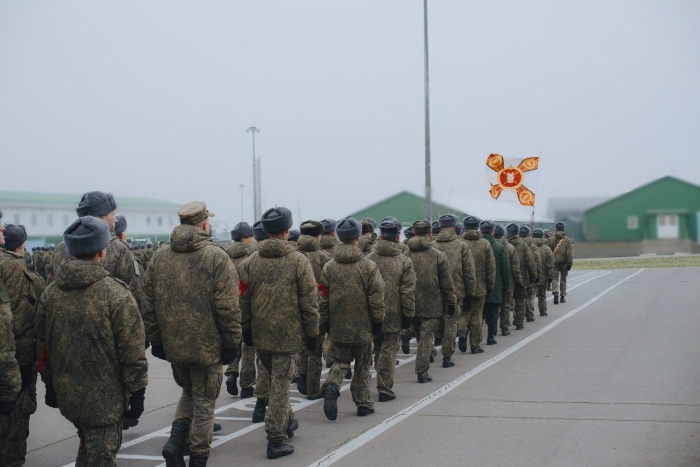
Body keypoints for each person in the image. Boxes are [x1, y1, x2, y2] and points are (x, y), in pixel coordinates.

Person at [36, 216, 147, 466]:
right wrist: (138, 392)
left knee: (88, 449)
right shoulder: (115, 293)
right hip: (106, 402)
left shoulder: (51, 293)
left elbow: (43, 345)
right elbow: (132, 350)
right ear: (101, 251)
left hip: (68, 396)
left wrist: (50, 383)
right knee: (102, 457)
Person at [142, 202, 241, 467]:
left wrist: (157, 340)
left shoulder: (160, 258)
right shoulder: (216, 257)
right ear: (205, 225)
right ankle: (198, 457)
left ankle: (175, 442)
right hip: (208, 347)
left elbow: (148, 303)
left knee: (189, 392)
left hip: (175, 346)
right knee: (205, 402)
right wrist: (232, 343)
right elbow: (228, 308)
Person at [239, 207, 319, 459]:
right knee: (281, 386)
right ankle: (275, 438)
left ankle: (287, 420)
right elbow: (309, 302)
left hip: (261, 336)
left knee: (276, 382)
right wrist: (312, 333)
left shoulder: (250, 262)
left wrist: (246, 331)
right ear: (287, 230)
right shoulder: (298, 261)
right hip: (288, 336)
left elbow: (243, 300)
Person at [320, 218, 385, 418]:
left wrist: (325, 321)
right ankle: (363, 403)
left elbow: (322, 297)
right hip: (363, 325)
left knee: (341, 360)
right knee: (363, 365)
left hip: (338, 325)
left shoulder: (329, 267)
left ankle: (332, 384)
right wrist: (378, 321)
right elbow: (376, 298)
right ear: (357, 238)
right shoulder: (368, 266)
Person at [0, 224, 45, 466]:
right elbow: (28, 320)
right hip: (18, 360)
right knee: (17, 420)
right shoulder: (21, 271)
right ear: (20, 246)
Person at [367, 219, 415, 401]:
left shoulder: (368, 259)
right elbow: (407, 292)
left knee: (377, 347)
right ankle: (385, 388)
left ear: (380, 236)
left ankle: (374, 382)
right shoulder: (404, 261)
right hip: (394, 313)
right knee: (388, 349)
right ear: (397, 237)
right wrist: (408, 315)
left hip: (371, 312)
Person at [405, 220, 455, 382]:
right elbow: (446, 283)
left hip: (411, 302)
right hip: (432, 303)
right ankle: (422, 371)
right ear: (429, 234)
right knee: (427, 337)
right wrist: (451, 302)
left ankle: (427, 354)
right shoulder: (438, 255)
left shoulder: (405, 255)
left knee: (419, 334)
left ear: (414, 233)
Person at [294, 220, 332, 400]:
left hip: (294, 310)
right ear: (319, 236)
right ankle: (313, 388)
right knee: (315, 350)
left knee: (303, 345)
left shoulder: (294, 256)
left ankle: (301, 371)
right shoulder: (324, 258)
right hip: (317, 310)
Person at [432, 214, 476, 367]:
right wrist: (470, 293)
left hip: (436, 291)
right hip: (456, 292)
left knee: (434, 322)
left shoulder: (433, 245)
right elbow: (469, 272)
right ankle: (447, 356)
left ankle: (430, 350)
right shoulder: (462, 246)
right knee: (451, 322)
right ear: (454, 226)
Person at [224, 222, 257, 399]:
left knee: (235, 342)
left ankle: (231, 372)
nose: (252, 239)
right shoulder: (252, 257)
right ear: (244, 239)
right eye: (250, 236)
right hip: (247, 306)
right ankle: (246, 384)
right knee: (249, 346)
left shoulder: (226, 257)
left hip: (230, 306)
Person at [460, 216, 496, 354]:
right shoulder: (484, 244)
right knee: (477, 315)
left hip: (462, 286)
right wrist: (490, 285)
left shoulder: (459, 243)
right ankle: (475, 345)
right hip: (480, 287)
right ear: (477, 227)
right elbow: (491, 268)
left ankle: (462, 331)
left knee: (463, 312)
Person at [479, 221, 511, 346]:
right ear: (492, 231)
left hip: (477, 286)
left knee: (478, 313)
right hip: (495, 286)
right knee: (493, 312)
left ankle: (474, 339)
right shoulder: (499, 247)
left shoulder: (474, 245)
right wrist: (507, 287)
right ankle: (491, 337)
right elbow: (505, 269)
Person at [506, 223, 537, 330]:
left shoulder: (504, 244)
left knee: (507, 301)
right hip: (521, 277)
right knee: (520, 300)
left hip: (507, 277)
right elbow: (530, 262)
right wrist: (533, 276)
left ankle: (505, 324)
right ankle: (519, 322)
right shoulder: (523, 245)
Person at [494, 224, 521, 336]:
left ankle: (492, 328)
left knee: (494, 305)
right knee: (506, 305)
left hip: (493, 281)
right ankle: (504, 327)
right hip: (508, 281)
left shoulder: (489, 245)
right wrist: (519, 281)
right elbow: (515, 267)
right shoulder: (510, 248)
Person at [548, 221, 574, 304]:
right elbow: (569, 253)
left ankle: (555, 292)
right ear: (563, 228)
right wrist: (569, 263)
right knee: (563, 279)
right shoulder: (567, 240)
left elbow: (548, 251)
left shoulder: (551, 238)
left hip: (554, 262)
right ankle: (562, 296)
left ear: (556, 228)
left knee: (554, 278)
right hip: (564, 262)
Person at [521, 225, 542, 323]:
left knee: (519, 297)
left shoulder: (515, 245)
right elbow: (537, 262)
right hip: (530, 275)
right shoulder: (533, 247)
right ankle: (529, 315)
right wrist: (537, 275)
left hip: (518, 275)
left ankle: (519, 317)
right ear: (529, 234)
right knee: (530, 295)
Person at [533, 229, 555, 316]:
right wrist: (550, 276)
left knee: (530, 295)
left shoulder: (528, 246)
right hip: (543, 275)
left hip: (531, 275)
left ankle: (529, 313)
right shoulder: (546, 249)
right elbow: (550, 264)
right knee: (542, 294)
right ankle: (542, 311)